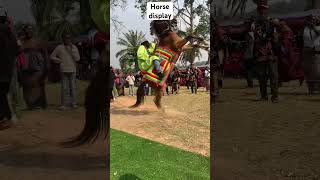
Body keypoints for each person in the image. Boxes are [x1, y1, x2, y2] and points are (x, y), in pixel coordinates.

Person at [252, 2, 279, 103]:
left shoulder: (272, 21)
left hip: (271, 52)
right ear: (258, 11)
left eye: (264, 10)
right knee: (261, 76)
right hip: (260, 52)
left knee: (273, 75)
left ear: (267, 11)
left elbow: (277, 35)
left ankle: (275, 96)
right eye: (261, 10)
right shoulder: (254, 23)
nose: (262, 12)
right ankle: (264, 96)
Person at [21, 24, 48, 110]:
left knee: (37, 85)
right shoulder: (21, 42)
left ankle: (39, 104)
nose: (28, 32)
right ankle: (30, 104)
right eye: (27, 30)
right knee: (27, 85)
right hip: (25, 68)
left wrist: (47, 66)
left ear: (33, 31)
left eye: (30, 30)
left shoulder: (38, 41)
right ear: (24, 32)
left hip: (38, 67)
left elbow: (45, 54)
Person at [50, 31, 80, 110]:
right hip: (64, 70)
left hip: (72, 69)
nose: (68, 39)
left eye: (69, 38)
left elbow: (78, 58)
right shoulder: (59, 47)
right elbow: (52, 56)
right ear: (63, 39)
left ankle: (73, 103)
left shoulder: (74, 47)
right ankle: (64, 104)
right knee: (64, 88)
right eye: (66, 38)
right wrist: (59, 60)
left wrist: (71, 50)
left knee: (72, 87)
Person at [0, 8, 19, 129]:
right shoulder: (11, 33)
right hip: (8, 69)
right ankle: (8, 117)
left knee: (1, 95)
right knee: (3, 94)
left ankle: (3, 119)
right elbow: (17, 49)